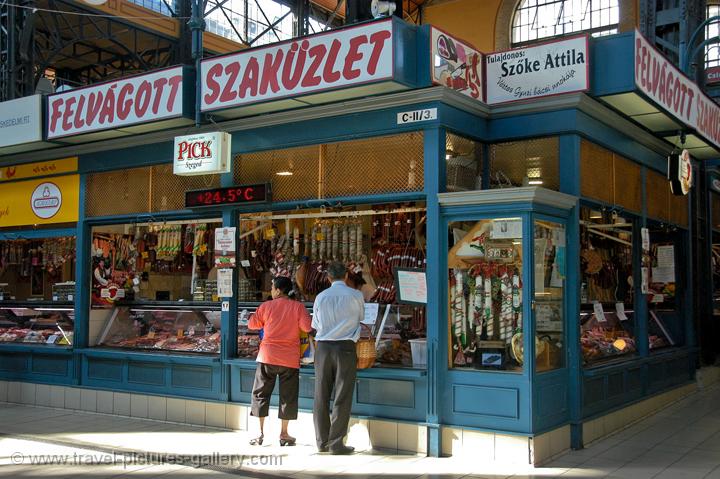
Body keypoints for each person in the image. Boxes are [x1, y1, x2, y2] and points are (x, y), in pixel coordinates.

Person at [247, 276, 312, 447]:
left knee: (260, 394)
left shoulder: (266, 306)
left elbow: (252, 325)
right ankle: (284, 434)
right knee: (288, 397)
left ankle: (259, 433)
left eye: (272, 287)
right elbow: (307, 327)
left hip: (267, 357)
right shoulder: (298, 307)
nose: (271, 290)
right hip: (289, 359)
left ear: (277, 289)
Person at [312, 262, 364, 455]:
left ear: (328, 278)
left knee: (321, 395)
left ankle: (322, 441)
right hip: (346, 348)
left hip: (323, 348)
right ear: (346, 276)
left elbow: (315, 323)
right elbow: (360, 317)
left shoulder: (320, 297)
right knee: (342, 395)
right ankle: (336, 443)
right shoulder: (356, 295)